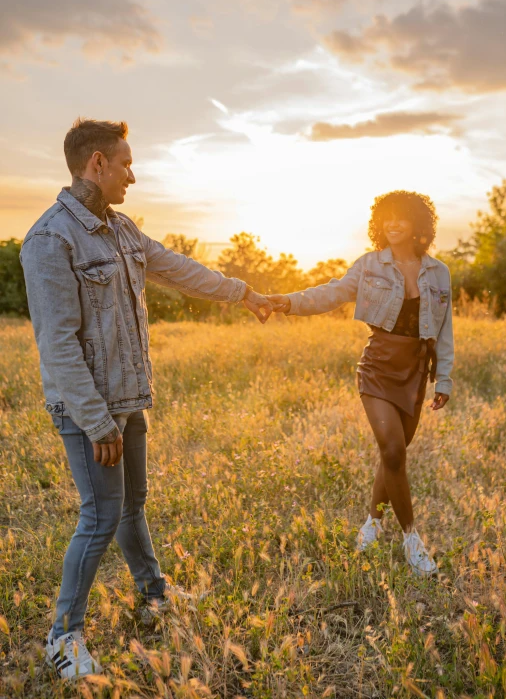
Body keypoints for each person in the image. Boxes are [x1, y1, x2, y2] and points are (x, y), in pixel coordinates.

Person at [20, 118, 272, 679]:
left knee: (133, 505)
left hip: (129, 399)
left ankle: (153, 591)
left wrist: (245, 293)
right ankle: (63, 636)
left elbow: (179, 270)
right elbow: (57, 345)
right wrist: (96, 422)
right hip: (90, 412)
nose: (134, 174)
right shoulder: (50, 239)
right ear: (97, 164)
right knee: (100, 515)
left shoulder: (123, 229)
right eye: (126, 163)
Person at [268, 191, 453, 578]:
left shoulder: (438, 273)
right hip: (378, 367)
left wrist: (445, 378)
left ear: (418, 224)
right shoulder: (370, 266)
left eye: (401, 218)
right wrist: (287, 302)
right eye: (386, 217)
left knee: (393, 456)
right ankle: (412, 541)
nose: (393, 224)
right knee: (393, 450)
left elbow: (444, 329)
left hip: (417, 371)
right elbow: (331, 293)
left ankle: (371, 521)